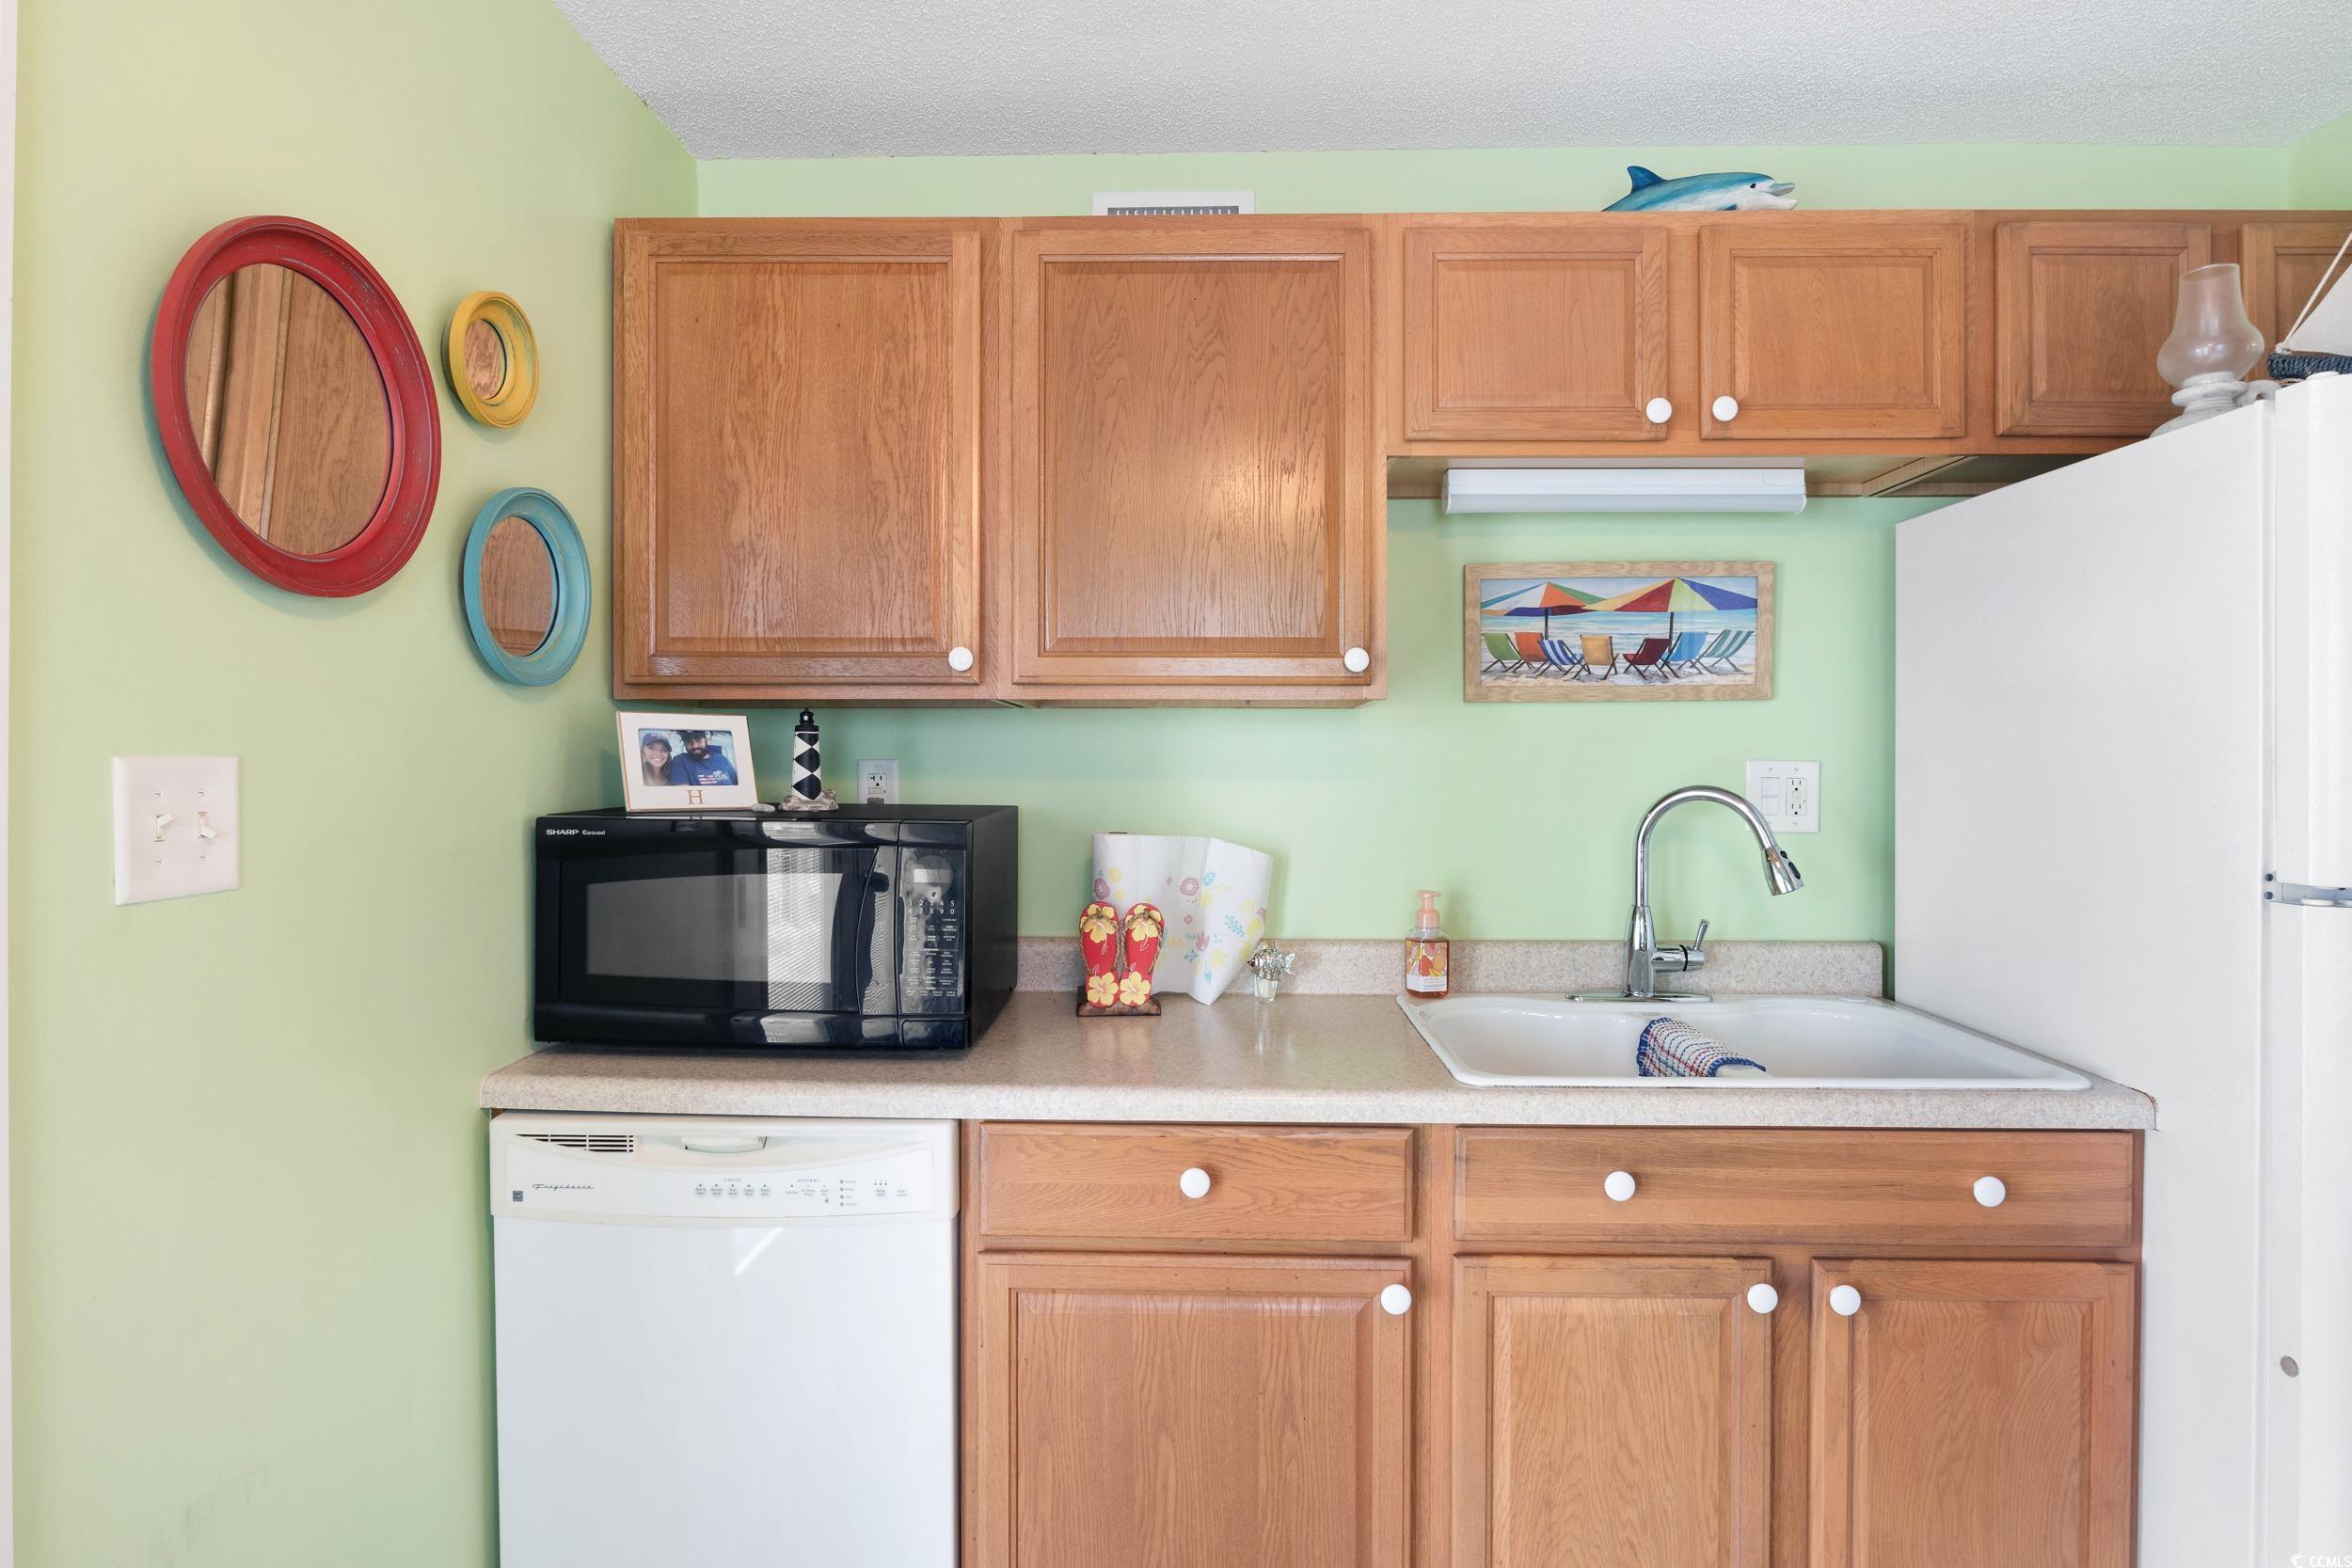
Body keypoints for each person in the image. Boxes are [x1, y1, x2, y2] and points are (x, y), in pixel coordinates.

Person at [668, 730, 738, 787]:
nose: (694, 746)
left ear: (706, 740)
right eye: (688, 741)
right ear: (684, 743)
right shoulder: (680, 761)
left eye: (698, 740)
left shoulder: (722, 759)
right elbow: (683, 793)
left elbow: (737, 786)